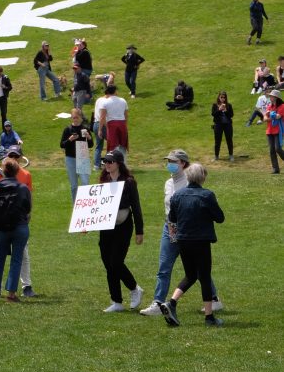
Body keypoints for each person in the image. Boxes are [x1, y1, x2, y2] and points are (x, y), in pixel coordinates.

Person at [140, 150, 224, 318]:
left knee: (199, 270)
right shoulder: (168, 183)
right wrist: (171, 228)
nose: (169, 163)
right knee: (165, 267)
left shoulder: (190, 181)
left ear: (184, 164)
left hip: (188, 230)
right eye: (168, 160)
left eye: (173, 161)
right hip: (171, 227)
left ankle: (213, 299)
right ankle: (159, 302)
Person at [161, 164, 225, 327]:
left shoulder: (178, 195)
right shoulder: (207, 195)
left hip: (183, 241)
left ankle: (171, 303)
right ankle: (209, 317)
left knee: (191, 275)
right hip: (201, 241)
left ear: (188, 176)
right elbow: (220, 218)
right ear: (202, 177)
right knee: (204, 277)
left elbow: (172, 219)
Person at [97, 150, 144, 312]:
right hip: (106, 226)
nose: (107, 165)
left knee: (116, 262)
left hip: (123, 226)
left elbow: (136, 207)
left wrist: (139, 231)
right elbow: (95, 207)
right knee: (108, 264)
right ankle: (116, 301)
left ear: (118, 163)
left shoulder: (129, 182)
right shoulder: (103, 180)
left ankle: (134, 289)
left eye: (110, 162)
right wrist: (86, 224)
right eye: (105, 162)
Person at [0, 158, 31, 303]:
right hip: (20, 227)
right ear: (16, 171)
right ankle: (11, 294)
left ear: (4, 171)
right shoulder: (23, 188)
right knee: (16, 260)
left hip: (1, 228)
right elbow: (27, 208)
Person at [60, 108, 93, 202]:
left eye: (77, 117)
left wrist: (89, 137)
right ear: (71, 118)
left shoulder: (85, 129)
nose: (75, 119)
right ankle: (76, 205)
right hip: (70, 158)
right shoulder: (68, 129)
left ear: (81, 117)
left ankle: (86, 202)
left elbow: (90, 145)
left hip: (83, 158)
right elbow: (62, 145)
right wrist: (70, 139)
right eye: (73, 117)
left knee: (85, 182)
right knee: (74, 185)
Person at [98, 85, 129, 155]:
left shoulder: (105, 102)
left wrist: (100, 129)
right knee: (122, 144)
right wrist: (126, 126)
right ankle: (123, 162)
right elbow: (126, 115)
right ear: (115, 91)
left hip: (112, 124)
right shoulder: (123, 101)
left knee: (112, 145)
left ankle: (113, 162)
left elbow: (102, 117)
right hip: (122, 123)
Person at [263, 89, 284, 173]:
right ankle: (275, 168)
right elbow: (264, 118)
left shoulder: (282, 106)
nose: (270, 97)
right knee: (272, 150)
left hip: (278, 130)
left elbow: (278, 116)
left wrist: (269, 116)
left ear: (276, 97)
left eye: (271, 96)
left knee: (278, 149)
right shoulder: (269, 106)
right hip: (269, 130)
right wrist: (270, 116)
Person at [211, 92, 234, 161]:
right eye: (221, 97)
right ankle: (216, 156)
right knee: (217, 141)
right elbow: (213, 114)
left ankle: (231, 155)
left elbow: (231, 115)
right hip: (218, 125)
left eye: (224, 97)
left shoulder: (229, 105)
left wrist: (226, 111)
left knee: (229, 140)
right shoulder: (215, 105)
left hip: (228, 125)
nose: (223, 99)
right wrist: (219, 109)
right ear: (219, 97)